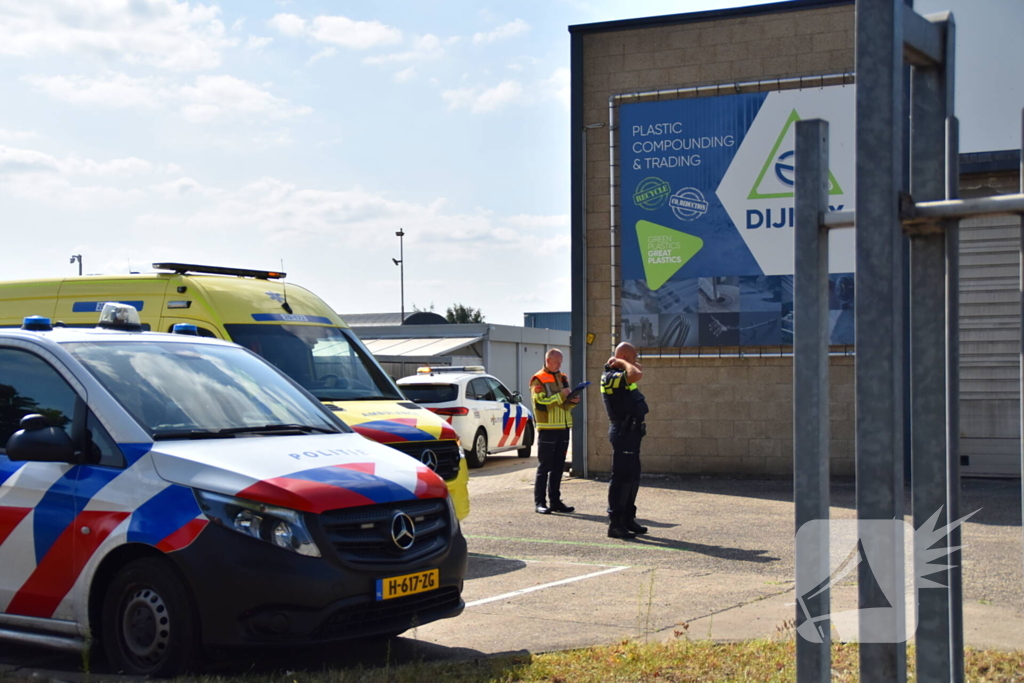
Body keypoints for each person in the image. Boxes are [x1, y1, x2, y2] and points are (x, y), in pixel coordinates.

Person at [601, 342, 649, 539]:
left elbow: (637, 372)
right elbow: (636, 374)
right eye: (633, 357)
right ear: (623, 357)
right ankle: (615, 523)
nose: (636, 361)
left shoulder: (623, 375)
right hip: (622, 431)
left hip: (632, 432)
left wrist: (629, 362)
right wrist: (622, 362)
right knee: (621, 479)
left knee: (632, 477)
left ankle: (628, 518)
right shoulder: (611, 376)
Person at [530, 348, 579, 514]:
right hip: (548, 428)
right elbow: (541, 404)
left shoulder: (562, 377)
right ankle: (540, 503)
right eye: (557, 362)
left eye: (561, 362)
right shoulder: (538, 379)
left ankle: (556, 501)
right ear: (548, 360)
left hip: (563, 427)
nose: (559, 365)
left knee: (558, 467)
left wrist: (573, 400)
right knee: (545, 467)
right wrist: (561, 396)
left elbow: (565, 403)